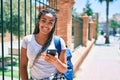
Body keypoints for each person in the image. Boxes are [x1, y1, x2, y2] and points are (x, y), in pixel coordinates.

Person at [20, 8, 67, 80]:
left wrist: (56, 61)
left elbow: (63, 69)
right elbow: (23, 66)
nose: (46, 25)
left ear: (53, 25)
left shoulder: (59, 42)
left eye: (50, 22)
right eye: (43, 20)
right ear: (39, 21)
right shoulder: (27, 40)